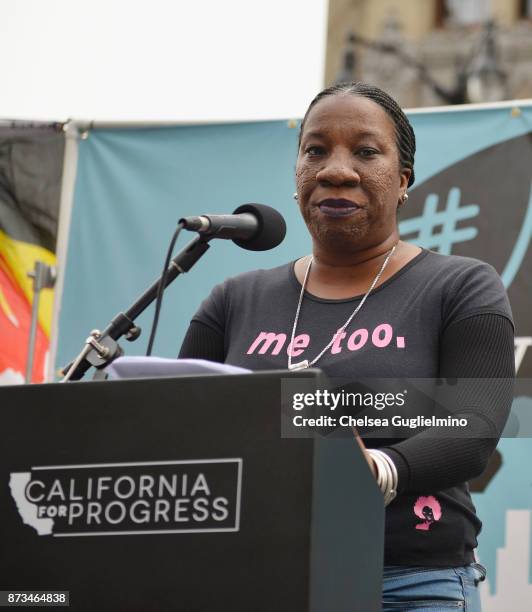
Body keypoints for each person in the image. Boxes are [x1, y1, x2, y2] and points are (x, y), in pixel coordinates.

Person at [179, 82, 515, 611]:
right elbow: (176, 430)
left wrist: (375, 471)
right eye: (316, 150)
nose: (336, 169)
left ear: (403, 180)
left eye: (365, 151)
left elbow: (471, 427)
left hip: (407, 584)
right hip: (257, 580)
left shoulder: (460, 287)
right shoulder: (233, 300)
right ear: (297, 176)